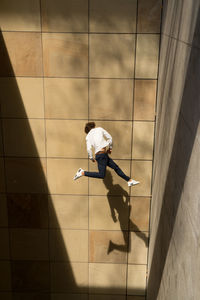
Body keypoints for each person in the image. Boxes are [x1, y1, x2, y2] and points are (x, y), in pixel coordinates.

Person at [73, 122, 139, 187]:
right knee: (102, 175)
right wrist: (110, 148)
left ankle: (129, 180)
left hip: (102, 155)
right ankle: (82, 172)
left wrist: (91, 158)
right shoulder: (99, 129)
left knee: (116, 167)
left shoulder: (88, 137)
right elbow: (110, 138)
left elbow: (89, 149)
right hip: (102, 156)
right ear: (93, 126)